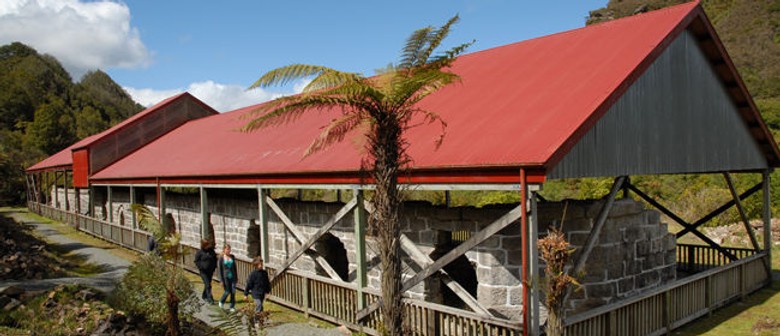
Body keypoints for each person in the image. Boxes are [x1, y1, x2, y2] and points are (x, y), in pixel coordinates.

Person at [194, 239, 217, 304]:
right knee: (208, 285)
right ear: (203, 245)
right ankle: (210, 299)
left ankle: (204, 295)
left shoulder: (211, 251)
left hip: (210, 271)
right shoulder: (200, 252)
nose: (208, 246)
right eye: (206, 245)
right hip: (203, 272)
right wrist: (201, 267)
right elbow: (196, 261)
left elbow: (215, 259)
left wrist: (214, 266)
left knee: (208, 284)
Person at [217, 244, 238, 312]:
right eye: (227, 249)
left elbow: (234, 268)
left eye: (229, 249)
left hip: (232, 276)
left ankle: (232, 306)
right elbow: (220, 270)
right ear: (224, 250)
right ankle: (221, 301)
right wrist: (221, 280)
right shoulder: (221, 258)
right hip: (225, 277)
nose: (228, 251)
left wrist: (236, 277)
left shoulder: (232, 257)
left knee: (233, 291)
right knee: (227, 291)